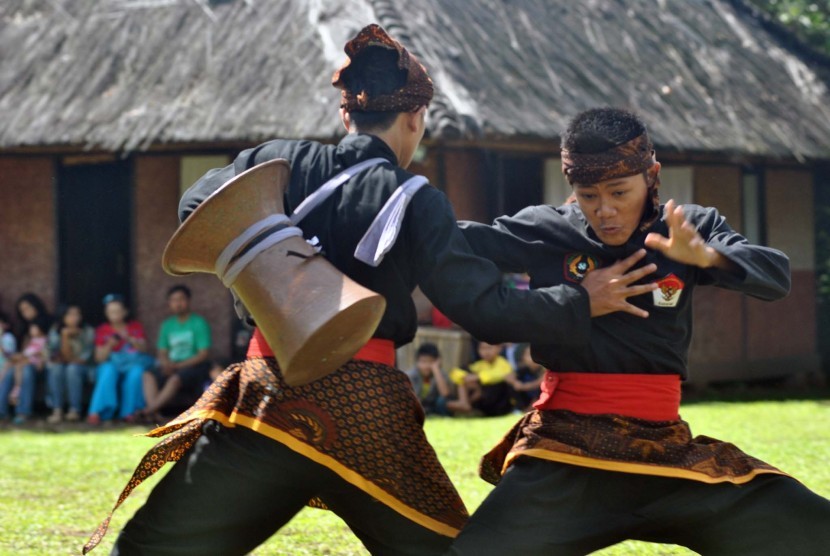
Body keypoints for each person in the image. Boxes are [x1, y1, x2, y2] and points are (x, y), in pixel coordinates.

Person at [84, 25, 646, 556]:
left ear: (345, 111)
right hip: (365, 410)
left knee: (151, 550)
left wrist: (281, 257)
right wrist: (581, 300)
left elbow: (197, 209)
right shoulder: (416, 197)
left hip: (266, 400)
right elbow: (486, 311)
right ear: (416, 118)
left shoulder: (275, 162)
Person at [447, 108, 830, 555]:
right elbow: (453, 240)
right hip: (565, 455)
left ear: (652, 175)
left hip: (665, 455)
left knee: (813, 532)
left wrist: (707, 257)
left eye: (619, 192)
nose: (604, 210)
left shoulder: (690, 229)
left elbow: (776, 275)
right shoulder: (546, 230)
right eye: (588, 195)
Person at [141, 285, 212, 422]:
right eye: (173, 300)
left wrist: (177, 366)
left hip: (194, 367)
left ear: (188, 301)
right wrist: (165, 363)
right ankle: (154, 413)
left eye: (181, 299)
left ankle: (148, 411)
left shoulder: (199, 323)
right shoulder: (167, 325)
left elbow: (203, 354)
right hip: (171, 365)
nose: (178, 303)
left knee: (175, 379)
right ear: (169, 303)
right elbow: (162, 351)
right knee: (148, 374)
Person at [86, 294, 151, 425]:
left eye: (117, 311)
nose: (114, 314)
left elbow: (145, 349)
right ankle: (99, 412)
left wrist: (130, 339)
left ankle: (130, 413)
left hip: (132, 364)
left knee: (137, 372)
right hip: (111, 364)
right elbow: (99, 358)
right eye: (110, 311)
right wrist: (109, 345)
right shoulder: (102, 330)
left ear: (125, 312)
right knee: (108, 370)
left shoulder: (135, 327)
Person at [46, 304, 96, 424]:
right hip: (62, 366)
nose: (74, 317)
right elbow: (54, 356)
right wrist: (64, 336)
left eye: (77, 314)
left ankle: (75, 410)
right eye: (70, 314)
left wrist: (67, 357)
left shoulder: (88, 331)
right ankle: (57, 409)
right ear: (63, 316)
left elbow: (83, 359)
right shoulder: (55, 330)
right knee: (56, 369)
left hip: (86, 369)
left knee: (72, 369)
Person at [0, 318, 49, 424]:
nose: (32, 330)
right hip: (22, 364)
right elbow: (23, 354)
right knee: (8, 371)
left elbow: (43, 358)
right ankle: (1, 410)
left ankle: (23, 412)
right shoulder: (30, 341)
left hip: (36, 368)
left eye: (34, 328)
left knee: (25, 372)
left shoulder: (45, 341)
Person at [452, 342, 513, 417]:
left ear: (499, 348)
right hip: (483, 400)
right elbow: (455, 372)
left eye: (489, 348)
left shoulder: (504, 364)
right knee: (464, 375)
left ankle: (465, 405)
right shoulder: (479, 364)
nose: (486, 352)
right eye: (482, 348)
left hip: (499, 402)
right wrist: (465, 377)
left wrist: (477, 377)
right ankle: (464, 403)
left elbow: (499, 376)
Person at [404, 343, 454, 416]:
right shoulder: (411, 375)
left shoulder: (439, 373)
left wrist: (436, 369)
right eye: (424, 362)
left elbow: (445, 394)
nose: (427, 366)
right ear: (417, 362)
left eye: (431, 362)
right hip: (417, 405)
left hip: (433, 405)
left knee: (442, 402)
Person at [504, 343, 544, 411]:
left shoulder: (544, 370)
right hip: (527, 399)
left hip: (540, 397)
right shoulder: (523, 370)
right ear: (523, 358)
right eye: (529, 355)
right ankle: (519, 408)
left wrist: (523, 386)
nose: (533, 358)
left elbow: (540, 382)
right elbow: (508, 377)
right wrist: (515, 382)